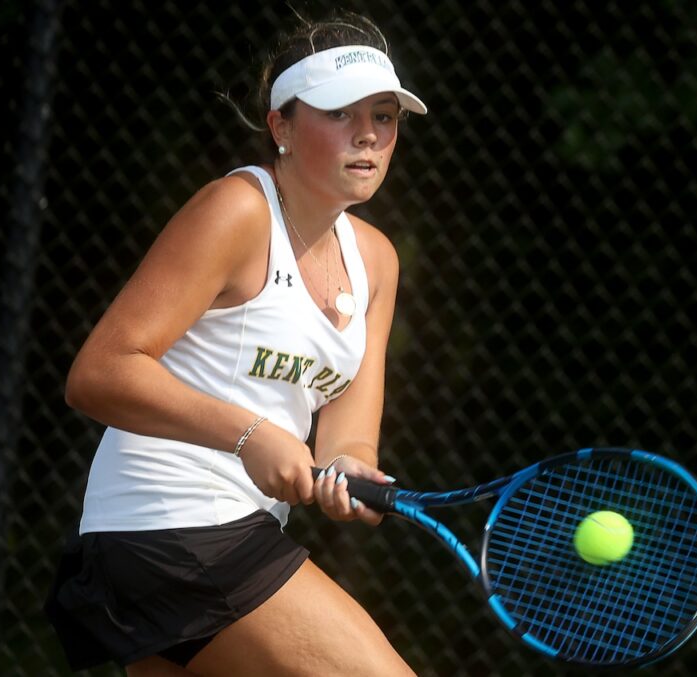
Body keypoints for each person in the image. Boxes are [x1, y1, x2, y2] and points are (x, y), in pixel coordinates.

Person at [44, 10, 426, 676]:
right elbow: (100, 372)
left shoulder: (378, 261)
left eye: (385, 116)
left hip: (217, 535)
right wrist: (251, 433)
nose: (367, 134)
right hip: (170, 522)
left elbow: (347, 438)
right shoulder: (238, 210)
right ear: (280, 124)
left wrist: (350, 472)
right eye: (340, 113)